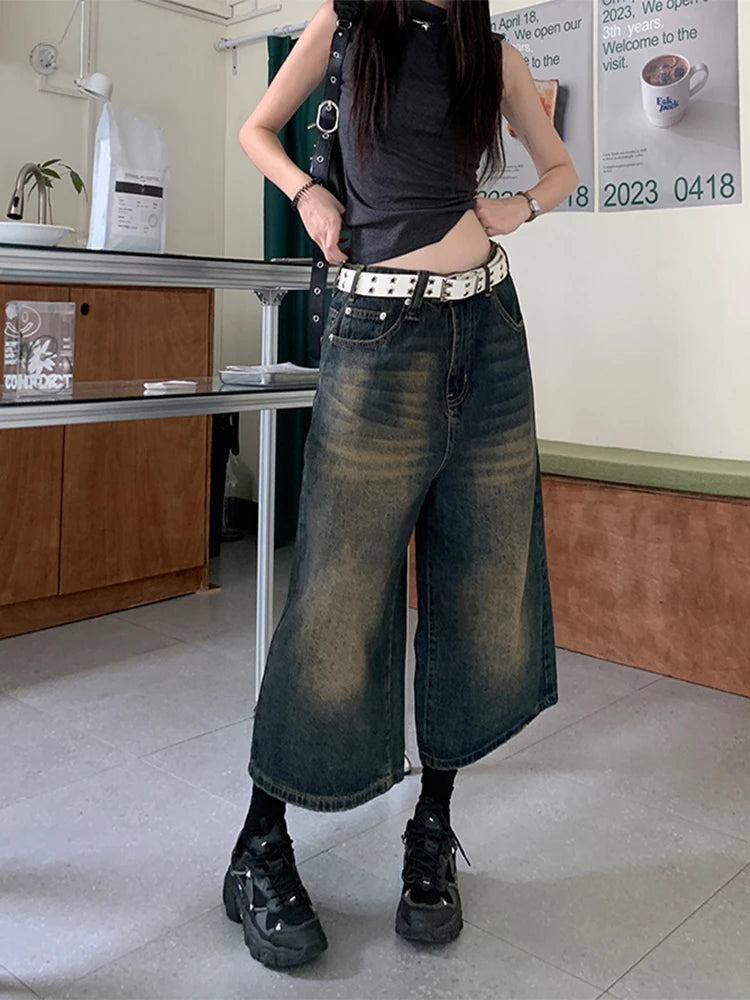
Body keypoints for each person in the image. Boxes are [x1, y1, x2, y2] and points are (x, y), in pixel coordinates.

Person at [223, 0, 578, 970]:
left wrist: (522, 207)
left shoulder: (489, 51)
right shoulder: (346, 25)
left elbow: (560, 168)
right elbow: (257, 129)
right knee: (336, 598)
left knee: (480, 584)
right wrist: (307, 191)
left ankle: (432, 831)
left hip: (487, 329)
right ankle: (260, 843)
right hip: (376, 333)